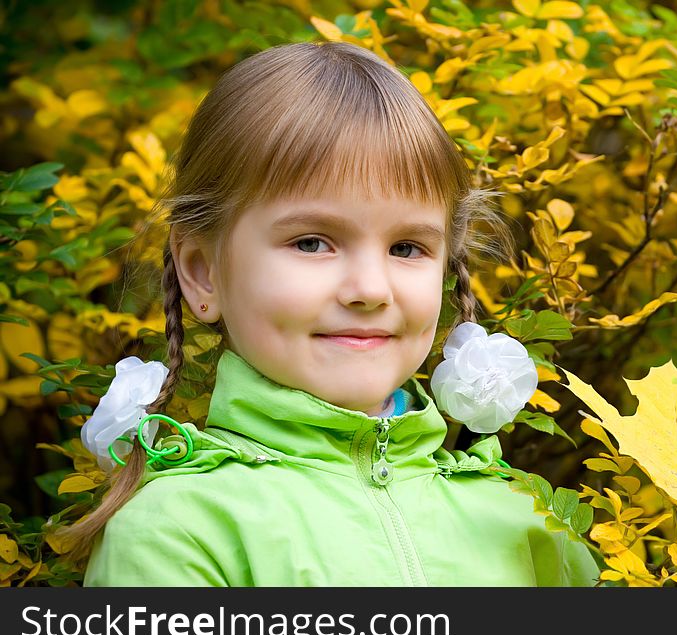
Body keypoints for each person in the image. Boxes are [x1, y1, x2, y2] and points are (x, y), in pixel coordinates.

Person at [66, 40, 600, 586]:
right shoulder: (179, 531)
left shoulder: (520, 519)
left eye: (407, 248)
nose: (369, 289)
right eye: (313, 243)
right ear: (203, 272)